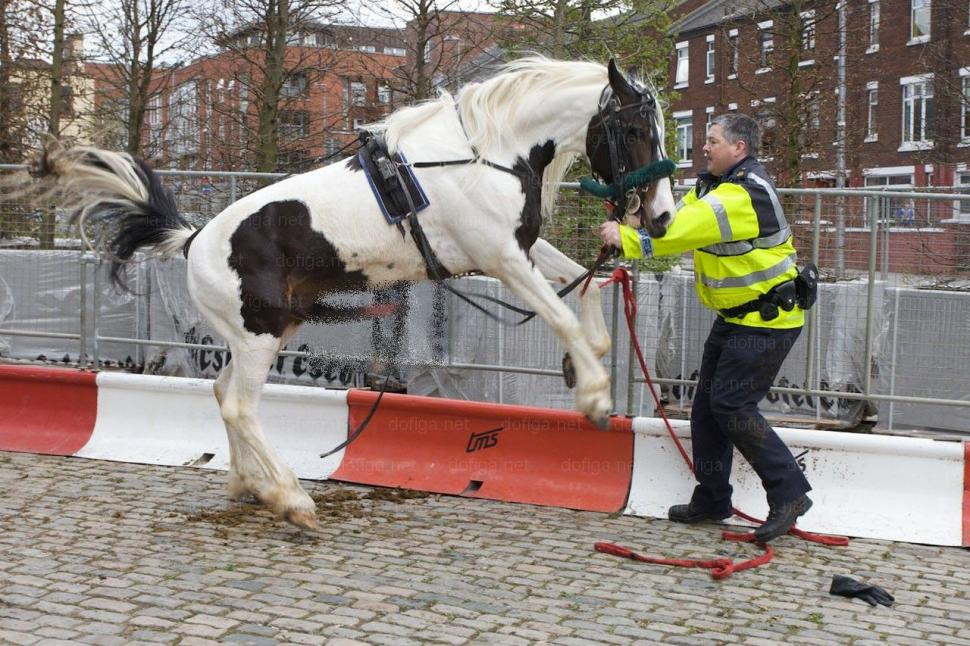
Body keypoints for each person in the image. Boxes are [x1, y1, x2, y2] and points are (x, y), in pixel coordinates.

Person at [599, 113, 813, 543]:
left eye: (712, 140)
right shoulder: (710, 187)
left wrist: (625, 237)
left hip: (766, 320)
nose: (704, 147)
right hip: (736, 318)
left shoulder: (742, 194)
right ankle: (713, 498)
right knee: (707, 410)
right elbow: (675, 221)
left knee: (733, 407)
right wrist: (637, 219)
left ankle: (789, 493)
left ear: (739, 148)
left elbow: (681, 232)